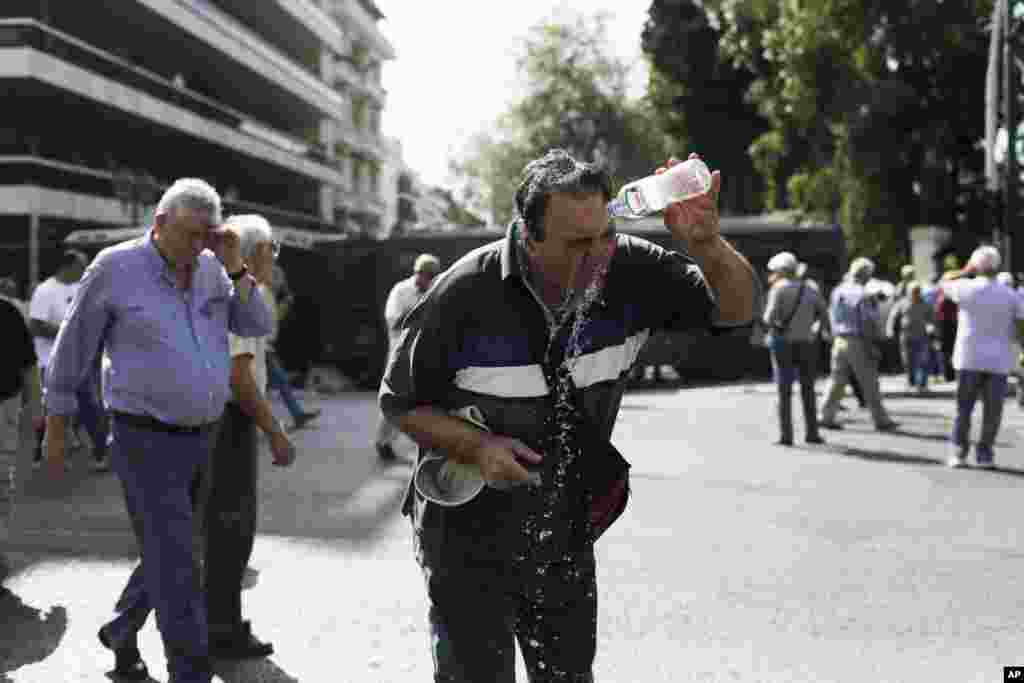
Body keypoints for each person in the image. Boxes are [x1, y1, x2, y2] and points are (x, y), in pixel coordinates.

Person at [380, 149, 757, 680]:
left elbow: (738, 311)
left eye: (605, 235)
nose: (599, 256)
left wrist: (707, 245)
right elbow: (400, 402)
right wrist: (479, 447)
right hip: (464, 537)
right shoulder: (465, 291)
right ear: (527, 236)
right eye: (577, 244)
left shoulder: (633, 270)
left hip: (563, 531)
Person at [42, 178, 273, 683]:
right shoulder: (115, 268)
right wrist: (56, 426)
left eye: (205, 237)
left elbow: (257, 323)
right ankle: (189, 673)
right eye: (188, 235)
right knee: (179, 565)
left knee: (175, 551)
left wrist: (236, 265)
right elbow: (72, 348)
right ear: (159, 223)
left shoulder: (215, 270)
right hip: (142, 436)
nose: (196, 247)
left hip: (203, 436)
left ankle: (123, 629)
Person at [201, 214, 296, 660]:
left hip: (217, 419)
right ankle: (220, 627)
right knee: (230, 531)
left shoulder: (227, 290)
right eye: (272, 250)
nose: (274, 260)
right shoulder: (239, 297)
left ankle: (211, 623)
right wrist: (276, 431)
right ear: (259, 251)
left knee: (214, 531)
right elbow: (240, 378)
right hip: (228, 422)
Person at [941, 248, 1024, 468]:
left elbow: (944, 280)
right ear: (998, 267)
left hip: (968, 357)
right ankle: (985, 453)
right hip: (998, 360)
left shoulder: (964, 288)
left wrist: (965, 270)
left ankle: (959, 451)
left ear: (975, 266)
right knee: (993, 411)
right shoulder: (1010, 294)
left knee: (963, 408)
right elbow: (1020, 327)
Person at [29, 249, 110, 471]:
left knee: (91, 408)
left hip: (80, 362)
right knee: (51, 410)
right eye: (82, 265)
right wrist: (68, 333)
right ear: (69, 266)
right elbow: (36, 325)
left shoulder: (81, 289)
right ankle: (39, 455)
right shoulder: (45, 291)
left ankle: (101, 454)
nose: (86, 270)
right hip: (50, 364)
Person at [374, 252, 441, 461]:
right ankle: (382, 441)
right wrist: (420, 310)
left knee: (428, 401)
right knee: (394, 399)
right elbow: (394, 322)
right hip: (401, 355)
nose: (429, 280)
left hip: (425, 354)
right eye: (426, 275)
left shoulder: (437, 289)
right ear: (417, 273)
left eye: (433, 276)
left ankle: (427, 446)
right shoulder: (401, 291)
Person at [818, 258, 899, 431]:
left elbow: (832, 314)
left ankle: (825, 415)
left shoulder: (838, 291)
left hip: (840, 339)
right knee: (870, 382)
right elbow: (867, 321)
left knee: (836, 380)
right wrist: (873, 345)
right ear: (866, 274)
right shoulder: (863, 294)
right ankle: (881, 419)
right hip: (859, 340)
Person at [762, 251, 829, 445]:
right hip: (807, 343)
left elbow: (769, 318)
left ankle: (786, 436)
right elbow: (824, 315)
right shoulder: (811, 289)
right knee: (808, 388)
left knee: (784, 390)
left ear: (782, 271)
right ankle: (812, 433)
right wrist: (817, 330)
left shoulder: (779, 289)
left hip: (783, 343)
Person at [264, 263, 320, 431]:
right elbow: (265, 322)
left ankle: (295, 415)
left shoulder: (268, 295)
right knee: (270, 383)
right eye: (277, 278)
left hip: (265, 346)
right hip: (260, 346)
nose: (280, 282)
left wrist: (284, 306)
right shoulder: (261, 292)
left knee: (278, 382)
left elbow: (273, 320)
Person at [0, 292, 38, 501]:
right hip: (8, 396)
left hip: (5, 397)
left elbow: (28, 362)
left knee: (3, 455)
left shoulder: (7, 312)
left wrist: (35, 404)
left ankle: (3, 494)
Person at [886, 281, 934, 394]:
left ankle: (923, 384)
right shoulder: (902, 303)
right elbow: (893, 317)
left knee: (923, 361)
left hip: (922, 336)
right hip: (906, 336)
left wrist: (932, 328)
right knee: (908, 361)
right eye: (914, 291)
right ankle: (911, 383)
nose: (916, 294)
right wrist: (890, 330)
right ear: (909, 292)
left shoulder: (926, 304)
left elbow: (932, 319)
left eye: (918, 291)